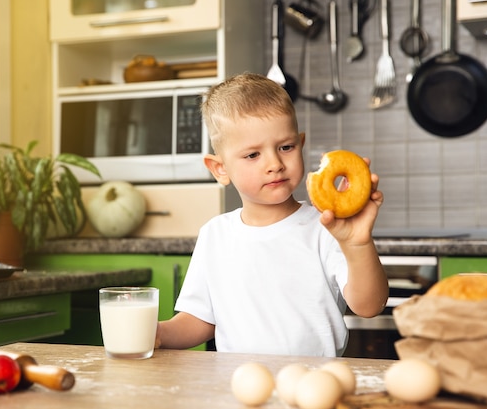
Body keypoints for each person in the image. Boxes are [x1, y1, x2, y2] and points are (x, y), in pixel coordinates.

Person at [155, 73, 388, 356]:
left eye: (286, 147)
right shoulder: (215, 234)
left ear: (300, 144)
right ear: (220, 169)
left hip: (312, 385)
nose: (275, 164)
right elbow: (200, 319)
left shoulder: (326, 227)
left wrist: (358, 244)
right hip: (237, 389)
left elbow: (368, 306)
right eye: (253, 155)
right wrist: (160, 333)